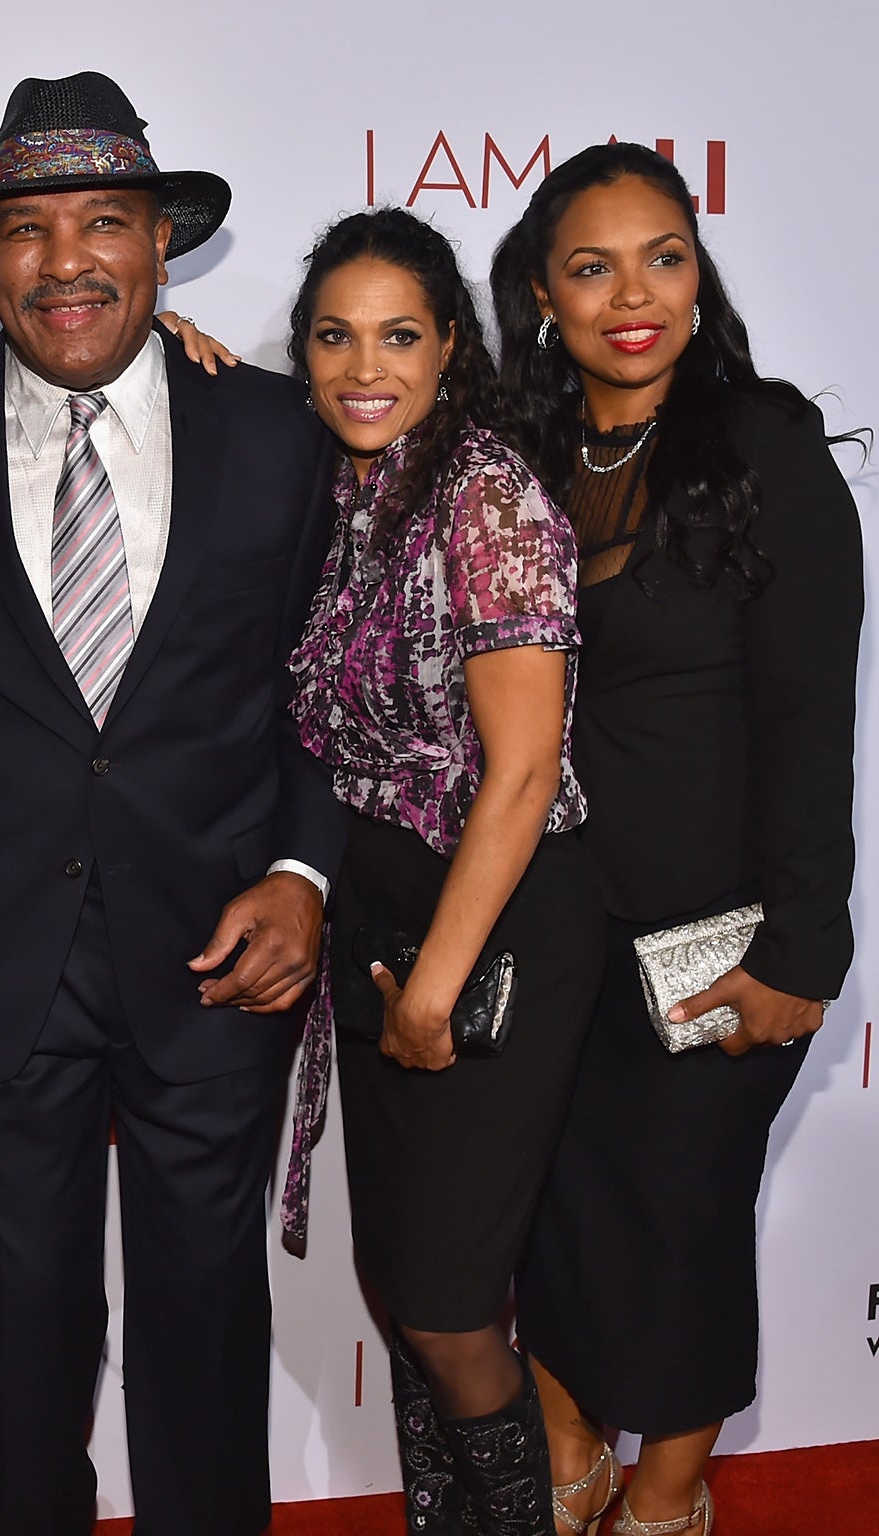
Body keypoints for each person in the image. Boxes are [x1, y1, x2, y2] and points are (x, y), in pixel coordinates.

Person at [0, 73, 346, 1535]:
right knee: (18, 1331)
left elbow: (332, 692)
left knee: (206, 1322)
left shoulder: (281, 435)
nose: (66, 260)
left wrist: (304, 871)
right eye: (27, 228)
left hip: (216, 945)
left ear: (163, 246)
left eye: (105, 223)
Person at [493, 143, 861, 1536]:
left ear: (699, 278)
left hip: (718, 945)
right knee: (558, 1211)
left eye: (663, 256)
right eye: (592, 266)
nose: (630, 294)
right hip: (554, 934)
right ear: (545, 292)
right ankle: (576, 1455)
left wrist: (802, 947)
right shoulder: (517, 459)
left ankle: (666, 1499)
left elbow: (812, 713)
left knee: (682, 1221)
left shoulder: (761, 445)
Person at [282, 208, 602, 1535]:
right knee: (400, 1283)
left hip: (499, 908)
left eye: (400, 335)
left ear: (452, 346)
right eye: (335, 336)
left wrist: (435, 989)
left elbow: (523, 770)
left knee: (451, 1302)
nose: (366, 366)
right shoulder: (343, 487)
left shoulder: (485, 491)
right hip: (379, 899)